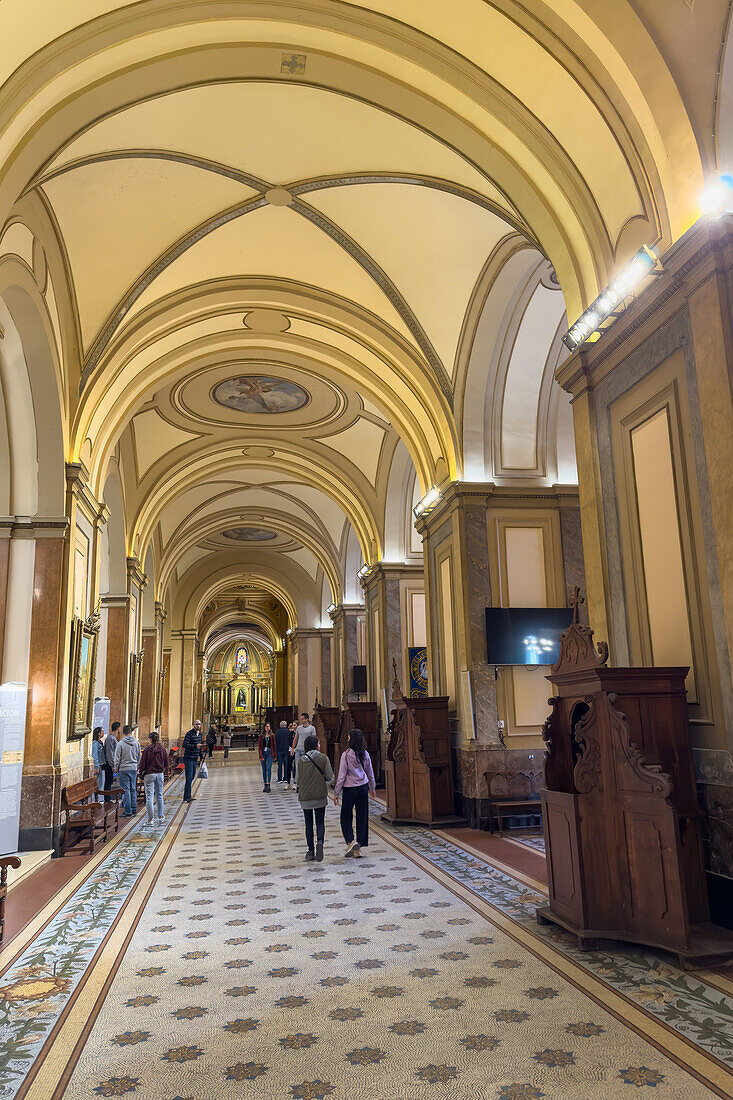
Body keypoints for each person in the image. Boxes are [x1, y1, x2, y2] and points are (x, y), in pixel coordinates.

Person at [333, 728, 376, 858]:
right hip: (362, 788)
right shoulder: (365, 754)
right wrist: (372, 788)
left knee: (345, 816)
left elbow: (341, 775)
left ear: (351, 739)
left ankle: (351, 841)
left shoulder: (346, 755)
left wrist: (336, 792)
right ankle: (358, 848)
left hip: (350, 789)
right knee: (362, 816)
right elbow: (370, 773)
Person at [297, 733, 333, 862]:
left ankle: (310, 851)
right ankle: (320, 842)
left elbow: (297, 779)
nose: (319, 745)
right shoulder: (323, 758)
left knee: (308, 823)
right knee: (320, 822)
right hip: (319, 795)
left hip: (305, 796)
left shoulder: (301, 760)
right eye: (318, 743)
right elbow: (329, 777)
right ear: (315, 745)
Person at [139, 729, 167, 827]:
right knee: (159, 795)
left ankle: (150, 819)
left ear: (150, 739)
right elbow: (166, 762)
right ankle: (160, 816)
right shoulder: (162, 749)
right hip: (159, 774)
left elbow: (143, 763)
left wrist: (141, 771)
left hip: (149, 774)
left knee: (149, 797)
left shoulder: (147, 749)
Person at [114, 724, 141, 817]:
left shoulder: (120, 743)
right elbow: (138, 756)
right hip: (133, 768)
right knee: (133, 789)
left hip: (123, 769)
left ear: (123, 732)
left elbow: (117, 758)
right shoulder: (136, 743)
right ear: (131, 732)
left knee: (126, 790)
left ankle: (128, 811)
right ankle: (134, 809)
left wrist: (116, 768)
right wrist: (136, 765)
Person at [293, 712, 316, 790]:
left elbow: (314, 739)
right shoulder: (299, 728)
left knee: (306, 767)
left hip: (307, 750)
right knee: (298, 766)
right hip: (298, 750)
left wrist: (314, 750)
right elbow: (296, 738)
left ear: (307, 719)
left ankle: (306, 783)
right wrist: (293, 748)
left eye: (302, 719)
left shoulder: (312, 728)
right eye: (301, 719)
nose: (301, 720)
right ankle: (297, 784)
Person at [182, 719, 203, 802]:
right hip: (188, 758)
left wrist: (201, 757)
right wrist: (195, 746)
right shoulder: (189, 734)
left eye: (199, 724)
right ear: (193, 725)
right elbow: (185, 745)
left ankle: (186, 795)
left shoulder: (199, 735)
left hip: (194, 758)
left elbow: (199, 746)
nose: (198, 725)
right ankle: (187, 796)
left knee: (192, 776)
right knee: (189, 777)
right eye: (196, 724)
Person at [258, 722, 276, 792]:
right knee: (264, 769)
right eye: (266, 726)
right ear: (264, 727)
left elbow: (274, 746)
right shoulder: (261, 736)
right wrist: (260, 755)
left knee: (268, 768)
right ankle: (265, 784)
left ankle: (268, 784)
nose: (268, 728)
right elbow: (259, 747)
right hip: (263, 753)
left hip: (270, 753)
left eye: (269, 726)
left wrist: (275, 755)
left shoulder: (272, 736)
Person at [103, 721, 119, 791]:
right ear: (118, 728)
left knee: (110, 781)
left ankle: (108, 799)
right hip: (109, 764)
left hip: (111, 764)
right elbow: (110, 753)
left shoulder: (113, 738)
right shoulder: (110, 738)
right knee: (108, 781)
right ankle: (107, 800)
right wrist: (112, 765)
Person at [91, 727, 105, 802]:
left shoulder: (99, 742)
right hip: (98, 765)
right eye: (102, 731)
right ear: (99, 733)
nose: (103, 732)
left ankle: (96, 800)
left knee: (99, 784)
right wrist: (96, 766)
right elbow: (95, 755)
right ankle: (94, 800)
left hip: (100, 764)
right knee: (97, 784)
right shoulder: (95, 743)